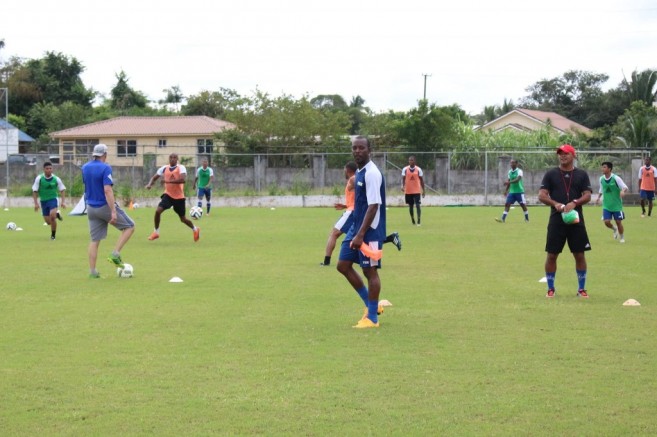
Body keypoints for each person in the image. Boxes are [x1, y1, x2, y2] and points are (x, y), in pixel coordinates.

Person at [337, 136, 387, 328]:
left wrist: (360, 234)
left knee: (369, 270)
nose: (357, 151)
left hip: (370, 230)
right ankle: (372, 306)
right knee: (343, 265)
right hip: (356, 227)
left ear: (369, 150)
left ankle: (372, 318)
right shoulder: (359, 172)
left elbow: (374, 205)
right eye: (354, 148)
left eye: (361, 148)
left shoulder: (372, 173)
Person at [538, 144, 592, 298]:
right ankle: (550, 288)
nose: (562, 156)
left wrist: (574, 202)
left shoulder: (581, 174)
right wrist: (556, 204)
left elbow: (587, 195)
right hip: (556, 220)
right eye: (560, 153)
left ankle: (581, 289)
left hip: (576, 220)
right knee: (552, 255)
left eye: (566, 153)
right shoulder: (551, 174)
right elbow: (542, 195)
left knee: (579, 254)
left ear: (573, 155)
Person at [321, 162, 401, 266]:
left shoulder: (354, 179)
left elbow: (361, 187)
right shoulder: (356, 178)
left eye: (344, 170)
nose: (343, 172)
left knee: (334, 233)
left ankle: (326, 262)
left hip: (352, 211)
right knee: (360, 236)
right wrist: (345, 205)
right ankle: (390, 238)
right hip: (354, 209)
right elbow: (359, 197)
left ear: (348, 170)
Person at [81, 144, 135, 278]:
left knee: (94, 240)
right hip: (103, 206)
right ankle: (115, 254)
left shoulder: (85, 167)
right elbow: (107, 190)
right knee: (130, 227)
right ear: (104, 154)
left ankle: (93, 272)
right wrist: (113, 212)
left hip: (91, 208)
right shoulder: (106, 167)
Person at [146, 153, 200, 242]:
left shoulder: (181, 167)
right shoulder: (164, 168)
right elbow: (154, 177)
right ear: (169, 159)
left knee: (183, 219)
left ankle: (195, 229)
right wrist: (149, 184)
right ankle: (156, 232)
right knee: (158, 211)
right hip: (168, 195)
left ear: (177, 159)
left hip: (179, 198)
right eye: (171, 157)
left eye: (174, 157)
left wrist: (167, 181)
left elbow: (182, 180)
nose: (172, 159)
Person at [595, 161, 628, 243]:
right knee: (606, 222)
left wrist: (623, 191)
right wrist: (598, 198)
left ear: (609, 169)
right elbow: (601, 189)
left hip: (617, 205)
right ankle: (614, 229)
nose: (602, 169)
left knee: (618, 221)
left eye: (604, 167)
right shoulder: (601, 179)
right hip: (606, 205)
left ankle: (622, 237)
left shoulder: (616, 178)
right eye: (602, 167)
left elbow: (625, 187)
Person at [32, 161, 66, 240]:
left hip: (53, 199)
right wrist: (36, 203)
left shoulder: (56, 179)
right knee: (48, 222)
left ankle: (53, 236)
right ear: (44, 169)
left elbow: (62, 189)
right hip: (43, 201)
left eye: (50, 168)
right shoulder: (39, 178)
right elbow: (34, 191)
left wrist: (63, 202)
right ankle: (57, 215)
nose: (49, 170)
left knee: (52, 217)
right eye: (47, 169)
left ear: (52, 169)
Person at [401, 155, 425, 225]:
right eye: (409, 160)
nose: (410, 161)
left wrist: (423, 190)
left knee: (417, 205)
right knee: (410, 206)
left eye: (412, 160)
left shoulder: (418, 169)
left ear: (414, 161)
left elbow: (422, 180)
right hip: (408, 191)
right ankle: (412, 219)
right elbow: (403, 179)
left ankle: (419, 220)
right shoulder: (405, 169)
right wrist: (402, 186)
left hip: (417, 191)